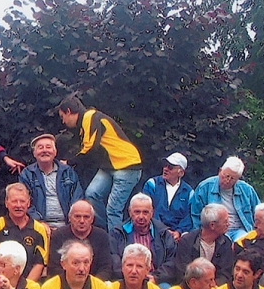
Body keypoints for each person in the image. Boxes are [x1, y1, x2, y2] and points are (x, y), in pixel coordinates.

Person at [58, 95, 142, 231]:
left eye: (62, 117)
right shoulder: (84, 124)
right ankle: (104, 230)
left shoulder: (90, 117)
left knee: (113, 209)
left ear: (68, 111)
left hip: (127, 164)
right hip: (110, 165)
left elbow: (90, 148)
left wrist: (69, 162)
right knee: (92, 193)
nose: (63, 122)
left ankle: (115, 242)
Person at [18, 133, 83, 230]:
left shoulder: (68, 172)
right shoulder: (27, 174)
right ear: (34, 153)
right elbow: (25, 203)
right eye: (40, 148)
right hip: (38, 226)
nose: (44, 150)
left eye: (48, 147)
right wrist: (40, 223)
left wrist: (72, 221)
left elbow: (77, 198)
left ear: (55, 151)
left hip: (68, 225)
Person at [161, 203, 233, 287]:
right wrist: (201, 286)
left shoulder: (226, 242)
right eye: (225, 221)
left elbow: (225, 273)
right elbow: (182, 273)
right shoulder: (187, 242)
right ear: (212, 225)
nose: (229, 224)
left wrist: (212, 285)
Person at [190, 156, 260, 242]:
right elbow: (195, 215)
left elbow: (258, 213)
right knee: (223, 244)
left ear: (238, 179)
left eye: (232, 179)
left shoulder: (247, 190)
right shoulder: (204, 187)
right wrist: (198, 237)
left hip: (240, 230)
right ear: (220, 171)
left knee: (243, 244)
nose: (227, 181)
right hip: (216, 231)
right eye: (226, 176)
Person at [109, 193, 176, 282]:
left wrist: (156, 278)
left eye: (145, 212)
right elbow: (114, 260)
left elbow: (172, 261)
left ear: (152, 213)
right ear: (130, 212)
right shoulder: (117, 233)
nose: (141, 217)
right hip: (126, 279)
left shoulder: (163, 233)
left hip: (155, 280)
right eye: (137, 212)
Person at [0, 183, 49, 281]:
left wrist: (25, 287)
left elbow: (39, 264)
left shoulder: (38, 229)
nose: (18, 205)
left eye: (22, 201)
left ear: (28, 203)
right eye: (14, 201)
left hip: (29, 285)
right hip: (0, 282)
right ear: (6, 203)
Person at [48, 200, 113, 280]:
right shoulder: (58, 235)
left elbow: (106, 268)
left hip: (95, 286)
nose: (82, 221)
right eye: (77, 216)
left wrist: (91, 285)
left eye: (86, 217)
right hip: (65, 286)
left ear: (92, 219)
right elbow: (53, 268)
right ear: (70, 218)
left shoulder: (102, 236)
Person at [142, 152, 193, 240]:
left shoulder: (189, 192)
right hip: (153, 231)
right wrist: (163, 230)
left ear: (180, 173)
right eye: (165, 165)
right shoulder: (152, 184)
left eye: (170, 167)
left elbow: (188, 217)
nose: (165, 169)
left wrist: (178, 232)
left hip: (177, 237)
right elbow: (148, 209)